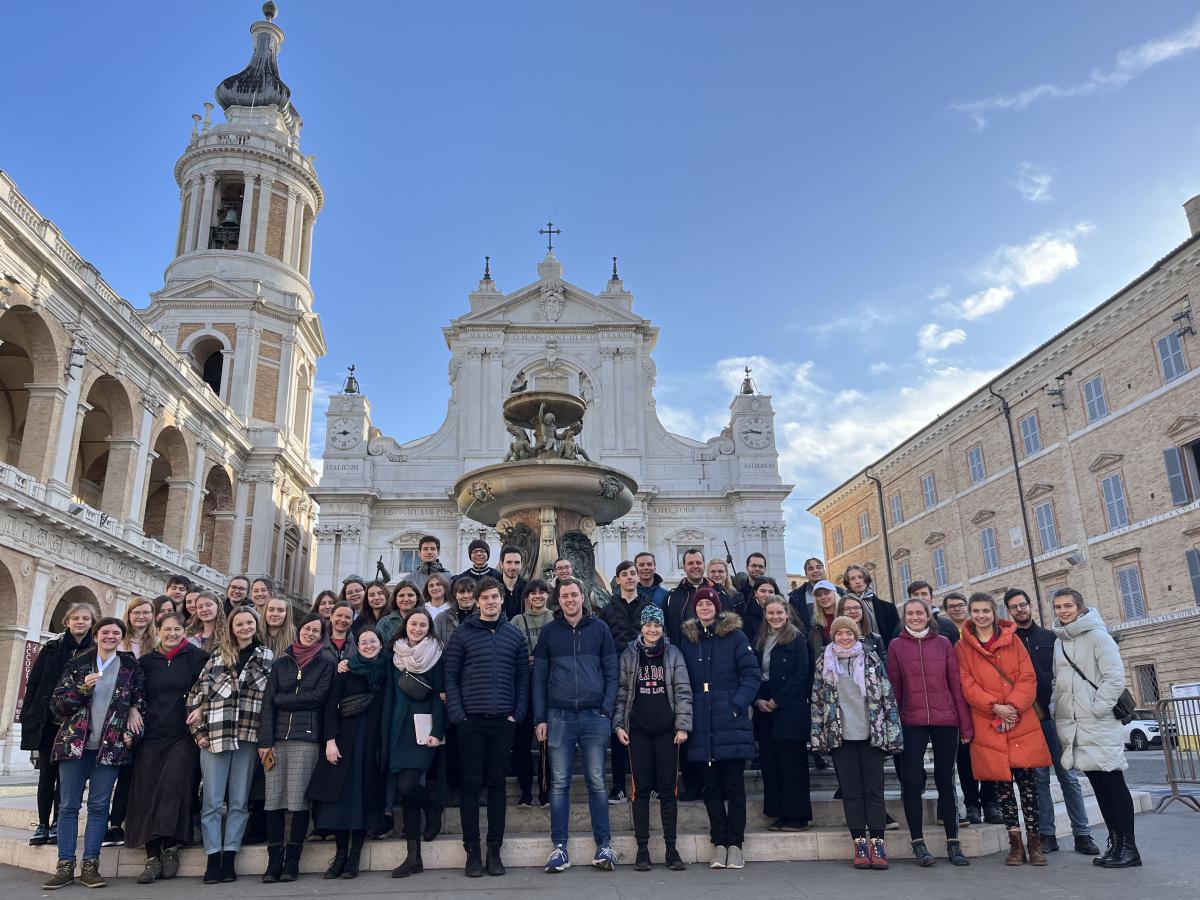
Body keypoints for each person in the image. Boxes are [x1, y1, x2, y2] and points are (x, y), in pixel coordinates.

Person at [42, 617, 145, 891]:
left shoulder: (130, 666)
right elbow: (57, 706)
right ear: (96, 635)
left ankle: (90, 865)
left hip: (109, 747)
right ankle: (65, 865)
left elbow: (140, 700)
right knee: (68, 806)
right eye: (105, 632)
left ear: (122, 637)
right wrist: (82, 689)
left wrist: (135, 710)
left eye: (116, 633)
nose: (110, 636)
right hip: (75, 746)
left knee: (100, 807)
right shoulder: (78, 664)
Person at [956, 591, 1051, 866]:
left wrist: (1012, 708)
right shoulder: (962, 648)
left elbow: (1027, 677)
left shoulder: (1014, 641)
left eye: (986, 611)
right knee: (1003, 788)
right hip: (989, 721)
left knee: (1028, 785)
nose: (981, 616)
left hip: (1019, 719)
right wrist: (995, 708)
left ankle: (1035, 843)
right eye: (976, 611)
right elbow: (967, 684)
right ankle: (1015, 844)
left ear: (994, 613)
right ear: (970, 614)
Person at [444, 577, 529, 877]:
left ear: (501, 600)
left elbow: (522, 679)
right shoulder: (462, 635)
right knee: (470, 786)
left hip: (502, 723)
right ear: (477, 601)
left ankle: (494, 850)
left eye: (495, 597)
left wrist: (516, 715)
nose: (491, 602)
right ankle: (472, 852)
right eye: (485, 598)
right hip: (470, 722)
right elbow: (450, 676)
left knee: (496, 786)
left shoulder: (514, 636)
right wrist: (458, 715)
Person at [534, 576, 620, 873]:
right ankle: (559, 848)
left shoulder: (600, 629)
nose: (570, 600)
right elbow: (539, 678)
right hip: (559, 717)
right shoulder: (548, 633)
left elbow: (612, 672)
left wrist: (606, 710)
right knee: (559, 785)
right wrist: (540, 717)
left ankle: (604, 846)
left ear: (583, 597)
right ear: (558, 600)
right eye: (565, 596)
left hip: (594, 715)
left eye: (574, 595)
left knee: (597, 782)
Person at [1005, 588, 1098, 856]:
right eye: (1014, 607)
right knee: (1039, 780)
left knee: (1068, 776)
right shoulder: (1009, 643)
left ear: (1031, 606)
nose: (1020, 609)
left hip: (1056, 716)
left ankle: (1083, 834)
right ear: (1008, 612)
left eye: (1023, 604)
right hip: (1028, 720)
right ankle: (1047, 834)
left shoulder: (1051, 637)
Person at [1052, 588, 1140, 868]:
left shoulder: (1098, 636)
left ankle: (1130, 848)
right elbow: (1059, 682)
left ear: (1080, 607)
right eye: (1058, 606)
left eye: (1068, 605)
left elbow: (1115, 678)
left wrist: (1096, 708)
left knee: (1114, 783)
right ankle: (1114, 844)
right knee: (1099, 786)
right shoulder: (1060, 641)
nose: (1063, 610)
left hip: (1098, 722)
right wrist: (1060, 710)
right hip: (1076, 725)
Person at [187, 607, 274, 885]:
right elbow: (195, 697)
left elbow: (270, 702)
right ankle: (213, 857)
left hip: (248, 736)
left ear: (256, 626)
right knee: (212, 801)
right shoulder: (217, 656)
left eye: (249, 622)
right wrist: (199, 732)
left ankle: (230, 857)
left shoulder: (267, 657)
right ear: (232, 627)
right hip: (215, 736)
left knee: (239, 801)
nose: (245, 627)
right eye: (239, 623)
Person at [810, 615, 902, 870]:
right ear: (833, 635)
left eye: (849, 633)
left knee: (874, 790)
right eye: (839, 633)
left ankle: (878, 843)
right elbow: (817, 702)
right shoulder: (824, 663)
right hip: (841, 737)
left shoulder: (871, 659)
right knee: (851, 792)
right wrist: (818, 737)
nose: (844, 637)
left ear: (856, 634)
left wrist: (892, 733)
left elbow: (887, 696)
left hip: (871, 734)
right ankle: (860, 843)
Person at [887, 597, 973, 866]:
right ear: (904, 617)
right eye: (909, 613)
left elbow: (955, 685)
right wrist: (894, 725)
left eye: (919, 613)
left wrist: (965, 724)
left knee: (946, 781)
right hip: (912, 720)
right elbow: (894, 688)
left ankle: (953, 842)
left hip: (945, 718)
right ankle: (918, 843)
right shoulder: (896, 646)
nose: (914, 617)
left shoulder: (944, 643)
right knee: (911, 780)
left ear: (928, 615)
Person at [679, 586, 760, 870]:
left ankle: (735, 844)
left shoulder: (735, 636)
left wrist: (737, 704)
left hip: (729, 720)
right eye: (700, 604)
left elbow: (751, 674)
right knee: (711, 788)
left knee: (734, 787)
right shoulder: (689, 640)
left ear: (716, 607)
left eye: (708, 604)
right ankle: (719, 843)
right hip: (702, 722)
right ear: (695, 609)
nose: (704, 608)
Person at [125, 613, 209, 884]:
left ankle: (170, 846)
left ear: (184, 631)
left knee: (174, 788)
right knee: (147, 791)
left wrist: (203, 708)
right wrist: (133, 709)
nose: (172, 633)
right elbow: (133, 692)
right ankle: (152, 856)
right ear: (158, 630)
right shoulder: (147, 662)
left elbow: (212, 690)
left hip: (183, 736)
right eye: (167, 629)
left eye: (177, 629)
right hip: (151, 736)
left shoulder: (197, 658)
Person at [613, 604, 692, 872]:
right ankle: (642, 849)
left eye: (656, 625)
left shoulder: (673, 654)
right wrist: (618, 725)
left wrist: (683, 726)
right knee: (641, 790)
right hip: (638, 731)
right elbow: (622, 693)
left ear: (662, 627)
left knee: (669, 790)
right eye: (648, 624)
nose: (652, 629)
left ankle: (672, 848)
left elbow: (683, 691)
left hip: (668, 732)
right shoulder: (629, 655)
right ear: (642, 627)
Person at [259, 613, 336, 883]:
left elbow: (319, 697)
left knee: (298, 802)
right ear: (299, 630)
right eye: (307, 628)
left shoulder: (326, 663)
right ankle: (273, 862)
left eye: (316, 630)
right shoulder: (281, 663)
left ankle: (292, 862)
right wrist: (265, 742)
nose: (310, 633)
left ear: (321, 636)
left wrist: (285, 699)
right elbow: (268, 702)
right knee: (274, 802)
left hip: (306, 739)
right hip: (277, 740)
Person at [309, 626, 390, 879]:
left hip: (372, 745)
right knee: (340, 801)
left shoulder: (389, 670)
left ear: (380, 643)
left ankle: (354, 856)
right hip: (344, 742)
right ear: (358, 645)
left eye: (373, 641)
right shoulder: (346, 669)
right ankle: (340, 854)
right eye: (363, 641)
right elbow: (330, 706)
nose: (368, 645)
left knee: (364, 800)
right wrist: (330, 740)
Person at [22, 603, 96, 849]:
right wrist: (28, 716)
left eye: (86, 618)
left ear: (91, 623)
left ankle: (57, 824)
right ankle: (43, 823)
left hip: (74, 724)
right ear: (67, 621)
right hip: (48, 721)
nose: (80, 622)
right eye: (76, 618)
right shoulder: (52, 648)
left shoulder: (94, 652)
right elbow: (34, 683)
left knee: (66, 778)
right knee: (47, 774)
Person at [382, 611, 446, 878]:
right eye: (413, 624)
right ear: (404, 626)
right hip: (396, 728)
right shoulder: (394, 655)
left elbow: (441, 695)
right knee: (405, 792)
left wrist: (438, 730)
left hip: (422, 728)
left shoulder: (436, 653)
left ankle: (433, 806)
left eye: (422, 624)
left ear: (429, 628)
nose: (417, 628)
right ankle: (413, 857)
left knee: (409, 786)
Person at [754, 596, 814, 832]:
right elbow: (752, 671)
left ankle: (797, 815)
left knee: (793, 764)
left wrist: (777, 701)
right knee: (772, 764)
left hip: (789, 706)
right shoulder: (760, 640)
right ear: (766, 615)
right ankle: (779, 813)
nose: (775, 617)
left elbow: (802, 673)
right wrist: (758, 699)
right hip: (764, 704)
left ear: (787, 614)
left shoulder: (797, 638)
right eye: (771, 613)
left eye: (779, 613)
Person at [596, 560, 650, 803]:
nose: (629, 577)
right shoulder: (608, 609)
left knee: (644, 729)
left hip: (645, 673)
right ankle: (618, 786)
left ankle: (646, 784)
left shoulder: (649, 606)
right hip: (617, 676)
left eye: (633, 573)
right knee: (618, 730)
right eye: (624, 574)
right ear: (617, 580)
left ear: (638, 578)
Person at [510, 579, 553, 807]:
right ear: (527, 597)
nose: (537, 596)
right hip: (524, 686)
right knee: (521, 743)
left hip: (548, 686)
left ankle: (545, 790)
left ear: (548, 595)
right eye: (533, 593)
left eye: (542, 592)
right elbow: (511, 650)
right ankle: (525, 790)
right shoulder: (518, 620)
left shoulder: (555, 618)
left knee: (547, 741)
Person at [842, 564, 900, 650]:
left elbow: (896, 638)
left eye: (860, 577)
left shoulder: (888, 608)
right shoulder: (843, 607)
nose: (857, 581)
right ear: (848, 584)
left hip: (885, 654)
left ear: (866, 579)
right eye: (853, 579)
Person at [664, 548, 707, 647]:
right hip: (681, 655)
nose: (695, 566)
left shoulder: (717, 593)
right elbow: (664, 629)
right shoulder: (671, 597)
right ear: (684, 568)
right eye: (690, 563)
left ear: (704, 565)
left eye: (698, 562)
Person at [786, 557, 829, 629]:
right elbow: (795, 622)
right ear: (806, 574)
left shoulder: (838, 592)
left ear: (824, 570)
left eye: (818, 567)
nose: (815, 570)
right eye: (811, 568)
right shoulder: (796, 597)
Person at [808, 579, 841, 658]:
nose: (823, 597)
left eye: (826, 593)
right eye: (818, 595)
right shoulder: (814, 621)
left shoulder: (846, 616)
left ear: (834, 594)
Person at [187, 591, 227, 655]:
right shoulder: (190, 631)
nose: (204, 609)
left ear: (218, 606)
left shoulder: (227, 635)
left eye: (208, 605)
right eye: (200, 607)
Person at [498, 545, 526, 620]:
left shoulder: (527, 589)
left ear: (521, 565)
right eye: (509, 562)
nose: (513, 567)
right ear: (501, 565)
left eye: (517, 562)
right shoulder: (493, 588)